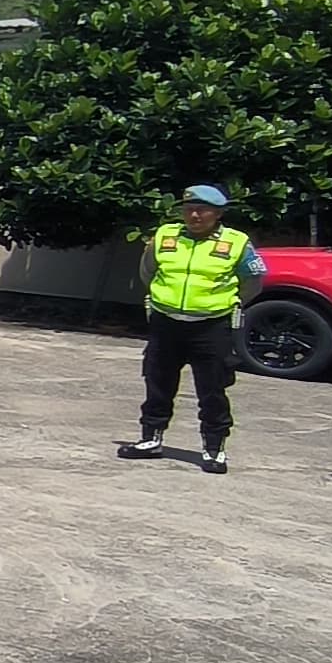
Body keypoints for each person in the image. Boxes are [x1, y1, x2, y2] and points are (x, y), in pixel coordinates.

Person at [123, 184, 261, 474]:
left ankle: (214, 448)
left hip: (211, 326)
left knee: (212, 389)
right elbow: (148, 271)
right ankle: (151, 438)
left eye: (202, 210)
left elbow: (253, 281)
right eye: (189, 209)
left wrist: (229, 303)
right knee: (157, 382)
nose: (195, 215)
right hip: (166, 322)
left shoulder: (237, 243)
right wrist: (163, 300)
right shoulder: (165, 236)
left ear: (218, 213)